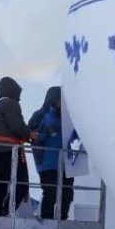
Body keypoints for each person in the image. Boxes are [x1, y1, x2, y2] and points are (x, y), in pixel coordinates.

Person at [0, 76, 38, 217]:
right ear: (13, 91)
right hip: (6, 151)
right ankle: (5, 212)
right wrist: (30, 135)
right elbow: (17, 126)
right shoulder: (10, 103)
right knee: (21, 184)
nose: (19, 98)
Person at [32, 86, 74, 220]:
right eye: (62, 100)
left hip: (66, 162)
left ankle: (62, 221)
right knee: (50, 193)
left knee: (67, 195)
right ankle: (46, 222)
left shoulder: (69, 116)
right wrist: (45, 132)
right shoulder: (40, 115)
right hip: (47, 162)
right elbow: (31, 135)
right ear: (53, 99)